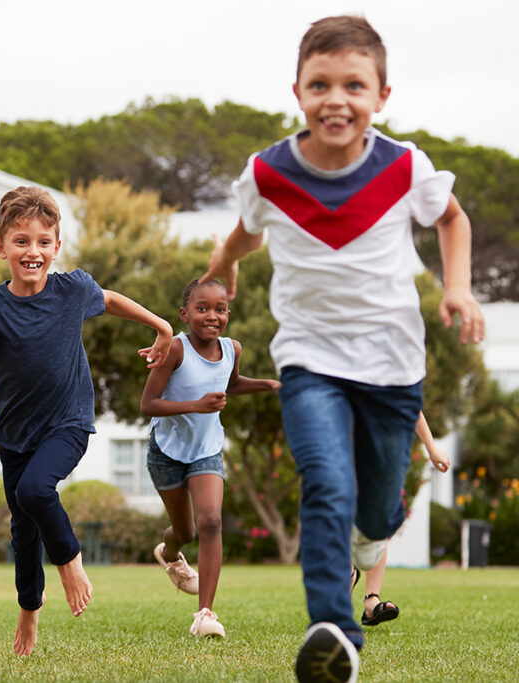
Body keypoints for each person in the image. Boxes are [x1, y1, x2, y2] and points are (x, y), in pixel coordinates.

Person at [201, 16, 484, 682]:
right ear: (297, 91)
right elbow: (243, 233)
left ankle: (369, 539)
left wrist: (460, 289)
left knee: (379, 506)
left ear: (381, 95)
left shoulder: (404, 165)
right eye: (320, 83)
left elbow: (451, 216)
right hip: (310, 360)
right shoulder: (269, 171)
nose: (337, 98)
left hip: (391, 365)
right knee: (326, 481)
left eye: (354, 85)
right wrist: (222, 266)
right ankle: (334, 627)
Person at [0, 186, 173, 656]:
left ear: (57, 246)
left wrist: (162, 327)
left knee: (34, 492)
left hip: (68, 422)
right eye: (22, 241)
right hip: (14, 433)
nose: (33, 252)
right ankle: (29, 611)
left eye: (43, 242)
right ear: (1, 246)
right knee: (23, 532)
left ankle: (70, 560)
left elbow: (109, 299)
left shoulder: (72, 290)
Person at [141, 277, 279, 639]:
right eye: (202, 309)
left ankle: (204, 614)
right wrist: (197, 405)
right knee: (185, 532)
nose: (212, 315)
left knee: (211, 522)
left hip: (206, 449)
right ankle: (169, 553)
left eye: (219, 309)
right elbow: (148, 404)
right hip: (167, 452)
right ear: (185, 314)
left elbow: (228, 382)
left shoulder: (232, 348)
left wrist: (268, 384)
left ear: (228, 313)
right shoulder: (175, 348)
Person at [352, 411, 451, 627]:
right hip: (346, 446)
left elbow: (410, 403)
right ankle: (345, 574)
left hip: (382, 452)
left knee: (380, 517)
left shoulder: (390, 379)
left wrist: (431, 447)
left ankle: (371, 600)